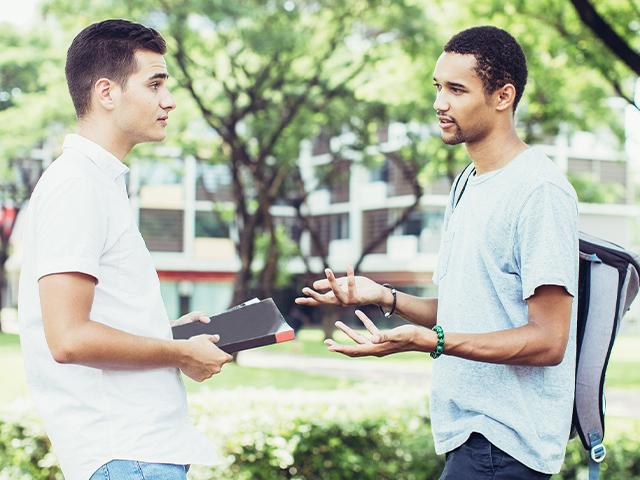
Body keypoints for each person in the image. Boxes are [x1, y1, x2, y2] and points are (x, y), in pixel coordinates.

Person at [296, 26, 578, 479]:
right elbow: (473, 312)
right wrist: (385, 297)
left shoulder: (539, 191)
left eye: (456, 89)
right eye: (437, 87)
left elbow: (549, 340)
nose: (439, 103)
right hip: (470, 438)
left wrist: (436, 343)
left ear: (503, 96)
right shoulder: (468, 181)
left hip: (504, 446)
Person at [18, 19, 232, 480]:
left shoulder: (97, 183)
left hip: (136, 453)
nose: (169, 100)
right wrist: (180, 354)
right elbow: (69, 338)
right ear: (106, 92)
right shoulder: (76, 185)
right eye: (154, 84)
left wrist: (167, 333)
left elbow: (94, 323)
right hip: (126, 455)